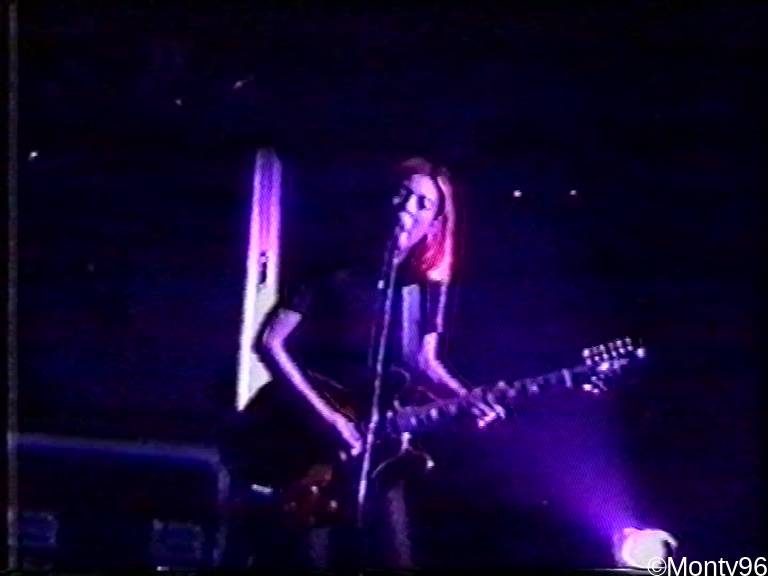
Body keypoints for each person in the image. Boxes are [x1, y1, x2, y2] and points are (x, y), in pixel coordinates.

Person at [226, 157, 502, 570]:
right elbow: (270, 342)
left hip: (374, 444)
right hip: (307, 435)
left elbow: (423, 362)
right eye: (403, 195)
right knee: (309, 557)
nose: (408, 209)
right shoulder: (333, 271)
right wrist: (327, 418)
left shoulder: (423, 290)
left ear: (434, 225)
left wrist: (467, 398)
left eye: (423, 204)